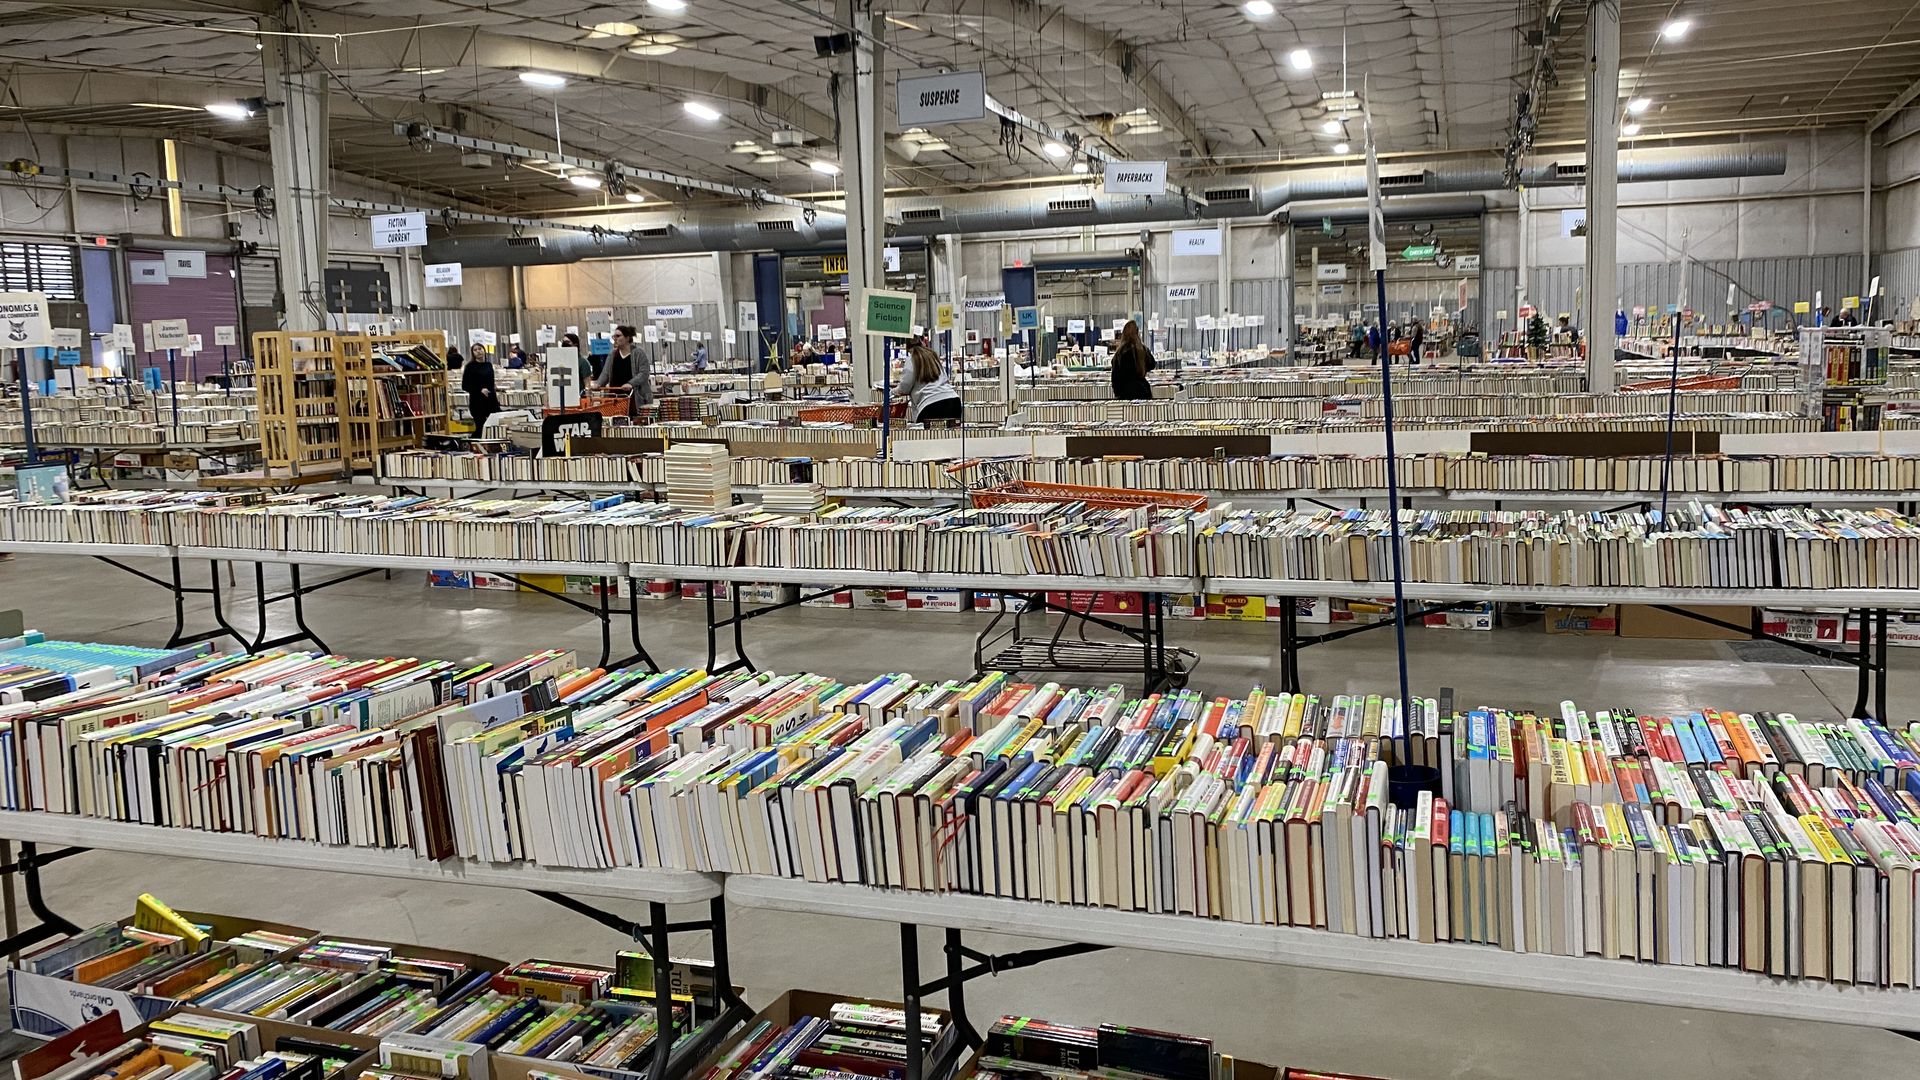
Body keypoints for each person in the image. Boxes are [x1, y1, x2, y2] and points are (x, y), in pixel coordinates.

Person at [893, 343, 962, 424]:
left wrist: (891, 392)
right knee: (951, 435)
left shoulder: (912, 359)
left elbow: (905, 387)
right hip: (953, 401)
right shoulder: (932, 356)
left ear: (908, 349)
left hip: (930, 405)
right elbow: (945, 378)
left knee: (928, 436)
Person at [591, 324, 654, 411]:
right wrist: (598, 383)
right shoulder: (612, 354)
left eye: (618, 336)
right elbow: (606, 373)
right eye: (614, 336)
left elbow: (643, 373)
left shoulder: (638, 353)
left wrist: (631, 383)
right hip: (616, 397)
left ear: (627, 338)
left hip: (634, 397)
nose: (615, 339)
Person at [1110, 319, 1155, 400]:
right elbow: (1152, 364)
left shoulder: (1119, 353)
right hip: (1142, 390)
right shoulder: (1142, 349)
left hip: (1124, 393)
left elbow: (1115, 377)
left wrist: (1117, 393)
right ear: (1137, 333)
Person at [461, 345, 497, 432]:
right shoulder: (470, 367)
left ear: (484, 350)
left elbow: (491, 381)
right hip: (477, 401)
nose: (478, 351)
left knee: (495, 427)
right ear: (473, 353)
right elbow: (465, 386)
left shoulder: (488, 365)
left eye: (480, 349)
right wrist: (479, 390)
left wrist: (494, 387)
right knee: (481, 428)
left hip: (491, 400)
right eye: (475, 350)